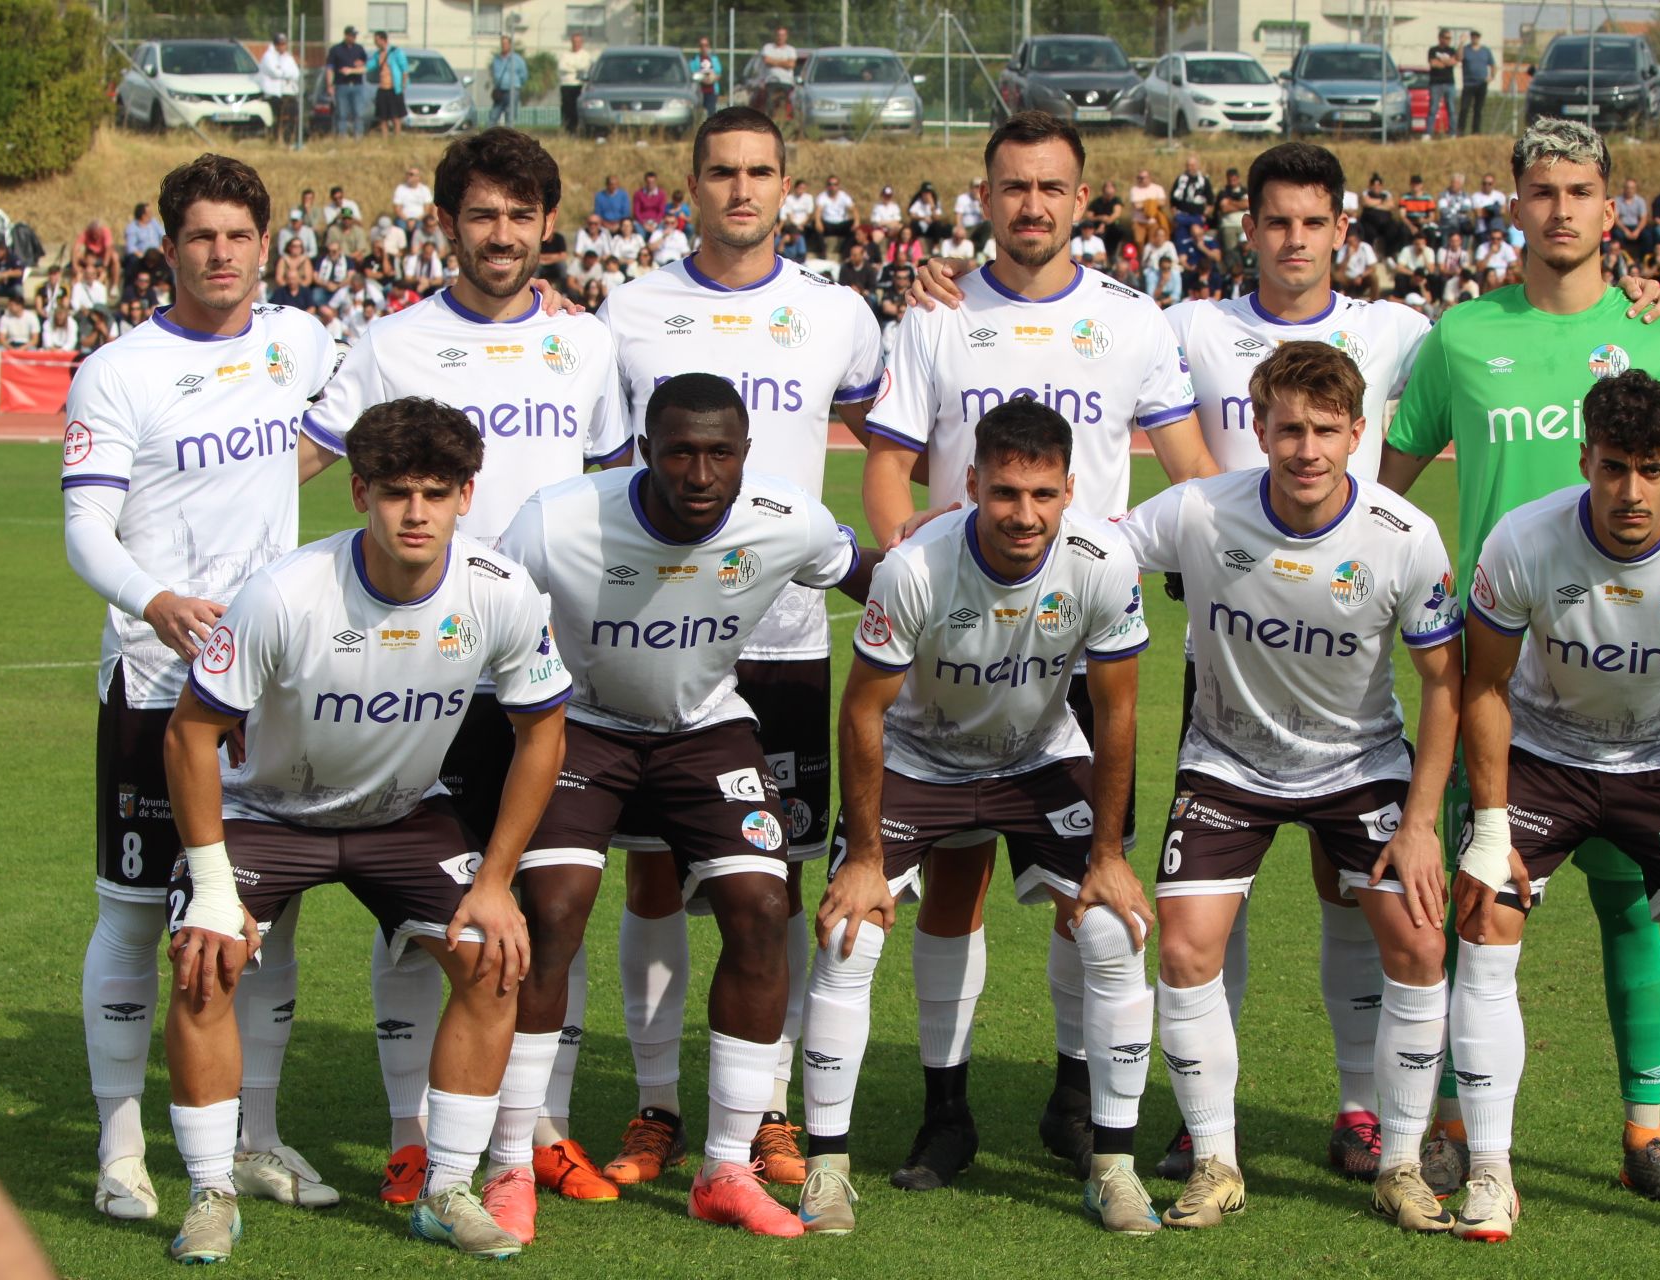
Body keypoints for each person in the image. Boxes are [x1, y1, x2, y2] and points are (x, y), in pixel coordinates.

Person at [865, 110, 1217, 1188]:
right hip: (957, 645)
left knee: (1087, 892)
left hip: (1078, 646)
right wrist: (914, 585)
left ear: (1080, 198)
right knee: (957, 887)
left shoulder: (1131, 319)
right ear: (986, 195)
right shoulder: (934, 314)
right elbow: (889, 466)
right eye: (1012, 187)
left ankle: (1075, 1098)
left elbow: (1191, 473)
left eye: (1050, 188)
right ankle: (946, 1109)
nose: (1030, 205)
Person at [1381, 117, 1660, 1203]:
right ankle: (1449, 1120)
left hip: (1633, 683)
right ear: (1515, 204)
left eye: (1581, 190)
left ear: (1611, 208)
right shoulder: (1460, 337)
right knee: (1475, 904)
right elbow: (1389, 495)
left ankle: (1642, 1127)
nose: (1561, 207)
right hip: (1498, 679)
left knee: (1633, 905)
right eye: (1542, 189)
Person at [298, 128, 629, 1230]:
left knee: (546, 904)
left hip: (542, 672)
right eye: (481, 214)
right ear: (447, 224)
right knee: (413, 915)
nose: (501, 234)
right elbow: (293, 458)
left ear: (546, 224)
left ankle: (533, 1128)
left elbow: (612, 498)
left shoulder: (585, 346)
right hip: (416, 675)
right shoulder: (390, 343)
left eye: (520, 214)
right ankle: (409, 1140)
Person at [159, 396, 570, 1263]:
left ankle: (446, 1189)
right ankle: (208, 1192)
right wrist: (209, 882)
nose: (414, 512)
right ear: (359, 494)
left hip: (403, 817)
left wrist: (495, 882)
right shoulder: (283, 593)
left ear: (467, 494)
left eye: (435, 491)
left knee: (497, 962)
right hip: (266, 813)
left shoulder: (500, 592)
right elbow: (190, 732)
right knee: (205, 959)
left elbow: (544, 733)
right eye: (394, 492)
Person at [495, 372, 878, 1238]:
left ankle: (725, 1167)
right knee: (551, 910)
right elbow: (479, 614)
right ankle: (510, 1161)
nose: (699, 474)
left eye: (719, 454)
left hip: (706, 728)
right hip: (581, 725)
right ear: (644, 451)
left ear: (746, 455)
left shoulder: (787, 520)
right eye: (678, 452)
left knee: (760, 905)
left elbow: (869, 577)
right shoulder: (558, 520)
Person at [590, 105, 882, 1190]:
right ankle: (658, 1101)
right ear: (690, 183)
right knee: (656, 874)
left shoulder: (837, 312)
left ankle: (764, 1110)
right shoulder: (629, 310)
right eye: (722, 171)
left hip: (789, 636)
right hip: (659, 635)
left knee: (778, 879)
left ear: (789, 182)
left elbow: (887, 440)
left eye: (762, 171)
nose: (742, 189)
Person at [1117, 339, 1461, 1233]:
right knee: (1187, 949)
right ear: (1259, 431)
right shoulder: (1198, 511)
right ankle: (1216, 1162)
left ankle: (1399, 1165)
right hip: (1228, 762)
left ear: (1357, 434)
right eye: (1287, 430)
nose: (1306, 449)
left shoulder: (1402, 537)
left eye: (1325, 431)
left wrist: (1421, 824)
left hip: (1360, 767)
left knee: (1420, 945)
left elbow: (1444, 684)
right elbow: (1095, 554)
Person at [61, 154, 339, 1226]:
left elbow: (332, 426)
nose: (220, 253)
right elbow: (86, 524)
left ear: (265, 245)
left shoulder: (300, 339)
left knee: (264, 916)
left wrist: (272, 484)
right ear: (168, 246)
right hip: (154, 677)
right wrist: (157, 594)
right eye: (200, 236)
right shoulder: (117, 369)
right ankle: (121, 1145)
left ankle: (256, 1135)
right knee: (134, 916)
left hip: (268, 680)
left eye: (238, 235)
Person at [803, 400, 1155, 1235]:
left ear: (1071, 490)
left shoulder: (1104, 561)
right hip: (918, 759)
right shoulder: (915, 568)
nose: (1023, 514)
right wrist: (859, 855)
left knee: (1112, 927)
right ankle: (826, 1169)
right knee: (849, 933)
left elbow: (1119, 713)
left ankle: (1115, 1165)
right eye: (1003, 493)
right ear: (970, 485)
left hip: (1037, 755)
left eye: (1041, 493)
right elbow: (861, 713)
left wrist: (1107, 852)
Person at [1453, 367, 1660, 1246]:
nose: (1630, 491)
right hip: (1544, 755)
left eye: (1650, 468)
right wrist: (1490, 829)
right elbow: (1481, 685)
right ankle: (1489, 1174)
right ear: (1584, 460)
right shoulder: (1522, 541)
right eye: (1611, 469)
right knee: (1486, 916)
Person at [325, 25, 370, 140]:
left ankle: (358, 135)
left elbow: (366, 65)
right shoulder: (336, 50)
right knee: (342, 113)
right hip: (342, 85)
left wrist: (361, 64)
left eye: (355, 35)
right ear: (346, 35)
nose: (354, 37)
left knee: (358, 112)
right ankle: (342, 135)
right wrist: (329, 85)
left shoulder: (359, 49)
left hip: (357, 85)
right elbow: (330, 68)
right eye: (352, 35)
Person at [258, 33, 300, 144]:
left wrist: (283, 71)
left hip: (286, 93)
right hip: (272, 94)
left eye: (284, 44)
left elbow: (296, 73)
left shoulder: (288, 57)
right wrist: (286, 73)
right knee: (277, 118)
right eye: (280, 44)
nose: (283, 46)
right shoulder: (268, 56)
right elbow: (275, 73)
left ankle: (289, 140)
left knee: (290, 117)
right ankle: (275, 139)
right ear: (275, 45)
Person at [368, 30, 410, 136]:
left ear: (382, 39)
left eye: (376, 40)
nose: (375, 42)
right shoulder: (378, 55)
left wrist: (403, 85)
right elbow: (368, 66)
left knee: (395, 117)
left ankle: (397, 138)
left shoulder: (396, 52)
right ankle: (385, 139)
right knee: (383, 118)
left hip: (394, 88)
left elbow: (404, 69)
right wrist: (351, 69)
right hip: (382, 89)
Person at [1170, 154, 1214, 252]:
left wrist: (1204, 216)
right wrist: (1175, 215)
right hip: (1182, 215)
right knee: (1181, 240)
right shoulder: (1180, 179)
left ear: (1197, 166)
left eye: (1193, 165)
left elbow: (1210, 202)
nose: (1190, 168)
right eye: (1188, 165)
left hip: (1197, 216)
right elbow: (1172, 200)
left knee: (1197, 239)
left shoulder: (1204, 181)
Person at [559, 33, 596, 133]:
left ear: (581, 43)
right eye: (574, 42)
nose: (576, 44)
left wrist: (571, 67)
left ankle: (579, 130)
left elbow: (585, 67)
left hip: (579, 86)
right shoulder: (565, 54)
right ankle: (568, 130)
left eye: (578, 42)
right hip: (566, 85)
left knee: (577, 109)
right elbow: (562, 67)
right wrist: (576, 68)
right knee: (567, 109)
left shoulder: (586, 55)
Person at [1459, 31, 1495, 135]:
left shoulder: (1485, 50)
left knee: (1478, 109)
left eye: (1477, 36)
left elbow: (1493, 65)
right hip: (1468, 84)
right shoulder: (1466, 49)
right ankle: (1460, 131)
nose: (1475, 38)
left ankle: (1476, 132)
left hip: (1481, 84)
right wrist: (1461, 43)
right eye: (1473, 36)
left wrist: (1491, 76)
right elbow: (1459, 57)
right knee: (1464, 108)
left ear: (1479, 37)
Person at [759, 25, 797, 120]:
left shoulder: (791, 50)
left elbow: (791, 64)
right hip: (771, 81)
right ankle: (770, 119)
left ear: (786, 36)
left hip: (787, 82)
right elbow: (767, 61)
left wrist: (775, 62)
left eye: (783, 35)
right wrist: (784, 62)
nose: (780, 37)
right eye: (778, 35)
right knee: (769, 101)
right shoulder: (768, 47)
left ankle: (788, 119)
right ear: (775, 36)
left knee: (788, 102)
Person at [1426, 30, 1458, 139]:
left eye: (1450, 38)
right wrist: (1446, 62)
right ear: (1440, 38)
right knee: (1433, 109)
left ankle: (1452, 133)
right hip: (1435, 83)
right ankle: (1428, 133)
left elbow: (1454, 62)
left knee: (1452, 109)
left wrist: (1442, 62)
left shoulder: (1452, 50)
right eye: (1446, 38)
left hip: (1449, 83)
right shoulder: (1433, 50)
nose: (1448, 40)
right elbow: (1433, 64)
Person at [489, 36, 528, 125]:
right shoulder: (497, 59)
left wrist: (517, 84)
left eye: (506, 43)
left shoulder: (517, 59)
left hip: (512, 90)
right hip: (500, 90)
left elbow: (524, 74)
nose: (504, 46)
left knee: (510, 115)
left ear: (510, 45)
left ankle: (508, 137)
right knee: (493, 115)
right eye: (502, 44)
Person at [816, 174, 856, 258]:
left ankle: (845, 252)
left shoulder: (843, 196)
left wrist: (857, 221)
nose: (832, 186)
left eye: (835, 184)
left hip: (841, 224)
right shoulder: (823, 196)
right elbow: (818, 210)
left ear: (838, 186)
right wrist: (818, 222)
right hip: (828, 224)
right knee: (816, 224)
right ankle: (822, 253)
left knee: (854, 225)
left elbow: (853, 209)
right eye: (830, 184)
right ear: (827, 186)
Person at [691, 36, 722, 115]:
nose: (704, 48)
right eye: (701, 45)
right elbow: (691, 74)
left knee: (711, 113)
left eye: (706, 45)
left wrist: (712, 79)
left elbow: (718, 74)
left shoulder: (714, 59)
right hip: (699, 91)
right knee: (698, 114)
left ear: (709, 46)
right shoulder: (694, 59)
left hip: (711, 91)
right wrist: (701, 78)